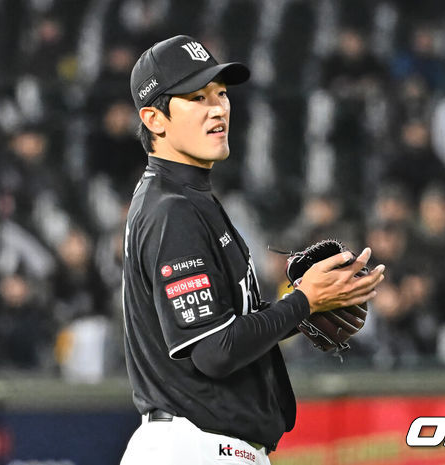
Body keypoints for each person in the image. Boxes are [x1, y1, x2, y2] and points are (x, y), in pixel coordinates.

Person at [119, 35, 385, 465]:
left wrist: (308, 307)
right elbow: (214, 351)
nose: (218, 108)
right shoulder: (172, 210)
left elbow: (227, 331)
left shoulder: (188, 200)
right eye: (197, 98)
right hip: (194, 447)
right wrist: (303, 302)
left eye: (221, 94)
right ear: (154, 119)